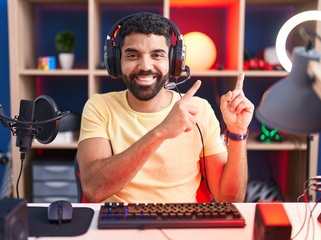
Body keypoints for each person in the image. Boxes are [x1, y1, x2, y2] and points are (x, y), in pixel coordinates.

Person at [77, 12, 254, 203]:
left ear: (173, 62)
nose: (145, 66)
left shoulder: (198, 109)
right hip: (118, 224)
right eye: (132, 55)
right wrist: (161, 131)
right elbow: (94, 189)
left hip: (182, 225)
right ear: (116, 61)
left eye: (157, 55)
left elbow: (228, 199)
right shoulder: (99, 107)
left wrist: (237, 133)